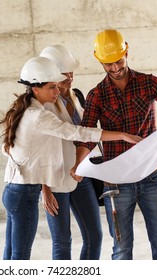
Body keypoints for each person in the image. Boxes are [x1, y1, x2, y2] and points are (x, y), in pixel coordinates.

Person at [0, 56, 142, 260]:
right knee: (20, 256)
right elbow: (77, 133)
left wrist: (26, 164)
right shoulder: (39, 116)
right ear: (35, 88)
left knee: (11, 251)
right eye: (52, 87)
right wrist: (120, 135)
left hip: (14, 189)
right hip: (25, 191)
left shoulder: (24, 110)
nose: (57, 92)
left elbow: (7, 148)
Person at [71, 29, 157, 260]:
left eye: (119, 60)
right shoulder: (97, 95)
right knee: (121, 249)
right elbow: (87, 134)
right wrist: (79, 164)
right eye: (108, 64)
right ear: (98, 60)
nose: (115, 68)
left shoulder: (148, 83)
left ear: (127, 51)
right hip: (116, 184)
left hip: (151, 177)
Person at [39, 44, 102, 260]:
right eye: (63, 73)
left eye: (71, 71)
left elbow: (86, 134)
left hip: (81, 175)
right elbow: (38, 149)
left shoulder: (77, 96)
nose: (69, 76)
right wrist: (44, 189)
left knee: (95, 236)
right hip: (54, 179)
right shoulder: (44, 105)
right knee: (62, 242)